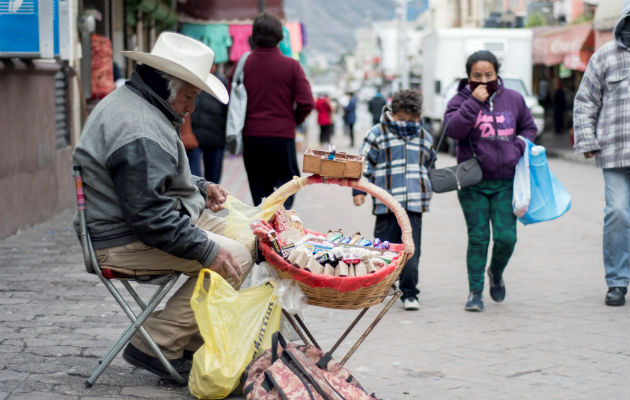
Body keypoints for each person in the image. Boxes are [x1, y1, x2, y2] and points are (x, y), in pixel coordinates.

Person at [72, 32, 253, 379]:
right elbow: (150, 216)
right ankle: (157, 343)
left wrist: (200, 186)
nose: (191, 107)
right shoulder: (138, 126)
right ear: (170, 85)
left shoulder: (142, 104)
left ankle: (186, 339)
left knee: (251, 237)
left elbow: (149, 184)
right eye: (189, 96)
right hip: (123, 240)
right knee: (234, 256)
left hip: (150, 222)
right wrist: (206, 250)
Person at [443, 50, 537, 312]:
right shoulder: (458, 100)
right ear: (468, 76)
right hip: (473, 183)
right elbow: (453, 131)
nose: (483, 80)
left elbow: (529, 128)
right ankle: (475, 292)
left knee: (507, 238)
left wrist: (517, 146)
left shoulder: (514, 99)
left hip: (506, 182)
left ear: (497, 74)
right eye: (477, 76)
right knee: (478, 238)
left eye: (489, 75)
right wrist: (473, 102)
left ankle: (495, 273)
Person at [352, 89, 434, 311]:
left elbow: (429, 164)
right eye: (401, 119)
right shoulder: (377, 134)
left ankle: (409, 292)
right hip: (386, 203)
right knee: (383, 249)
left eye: (412, 120)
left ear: (418, 116)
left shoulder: (425, 137)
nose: (406, 124)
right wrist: (358, 191)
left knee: (410, 251)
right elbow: (364, 164)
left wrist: (429, 184)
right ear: (392, 112)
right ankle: (383, 284)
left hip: (414, 204)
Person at [573, 9, 630, 307]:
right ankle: (617, 282)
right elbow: (585, 100)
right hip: (616, 153)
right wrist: (587, 140)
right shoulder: (605, 56)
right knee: (618, 213)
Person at [233, 12, 314, 209]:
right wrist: (292, 120)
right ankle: (279, 230)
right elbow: (306, 102)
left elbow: (231, 99)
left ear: (253, 37)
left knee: (259, 193)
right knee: (286, 189)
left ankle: (264, 233)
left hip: (252, 138)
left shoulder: (242, 66)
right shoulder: (292, 66)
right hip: (282, 138)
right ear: (280, 37)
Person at [191, 65, 228, 183]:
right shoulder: (194, 80)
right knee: (196, 177)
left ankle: (209, 199)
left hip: (215, 138)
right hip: (196, 137)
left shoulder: (221, 83)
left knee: (212, 180)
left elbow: (227, 109)